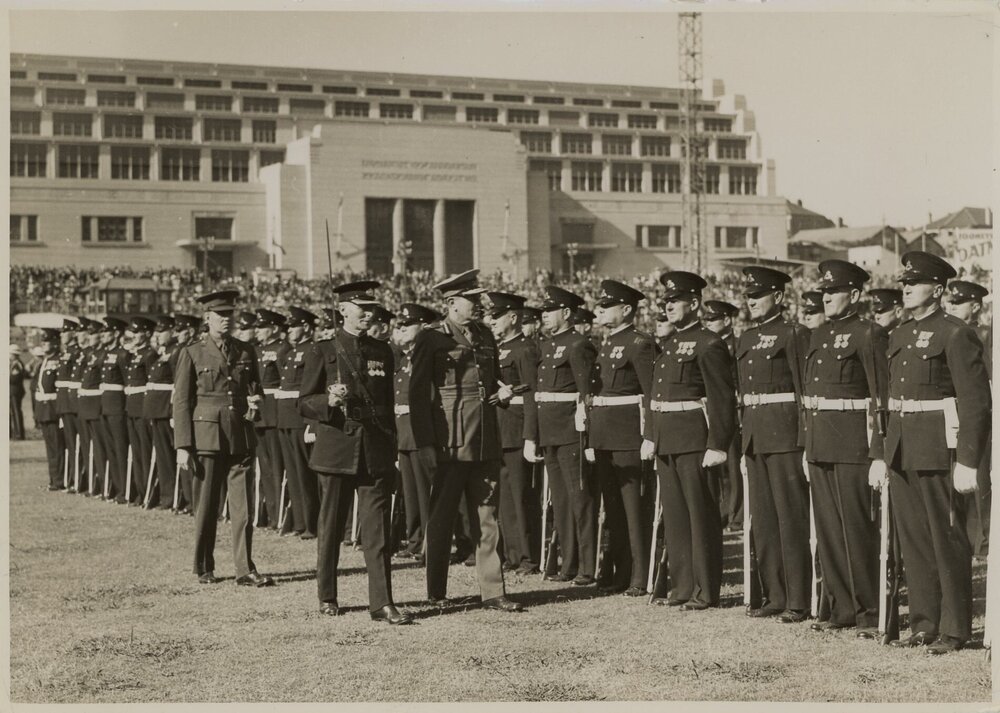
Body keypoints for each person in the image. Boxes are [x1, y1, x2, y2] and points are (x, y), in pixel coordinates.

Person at [877, 252, 991, 654]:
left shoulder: (955, 333)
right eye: (905, 282)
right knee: (914, 541)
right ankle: (924, 624)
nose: (906, 288)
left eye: (915, 282)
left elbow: (975, 402)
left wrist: (968, 460)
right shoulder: (899, 334)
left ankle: (955, 629)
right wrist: (883, 453)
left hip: (939, 449)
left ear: (938, 290)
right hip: (903, 448)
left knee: (947, 540)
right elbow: (891, 400)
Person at [409, 269, 523, 612]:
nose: (478, 303)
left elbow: (495, 380)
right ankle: (436, 590)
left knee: (487, 516)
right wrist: (426, 444)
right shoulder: (431, 338)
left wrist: (504, 393)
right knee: (442, 517)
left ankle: (493, 591)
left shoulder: (485, 334)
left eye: (477, 298)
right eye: (471, 299)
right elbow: (418, 395)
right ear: (451, 303)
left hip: (485, 437)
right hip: (450, 440)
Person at [298, 281, 411, 624]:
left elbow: (387, 405)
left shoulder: (383, 351)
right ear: (344, 310)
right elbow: (304, 402)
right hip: (336, 448)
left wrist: (391, 446)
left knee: (377, 531)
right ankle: (327, 595)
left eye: (372, 309)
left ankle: (382, 602)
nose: (369, 314)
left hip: (375, 448)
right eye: (362, 308)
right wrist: (329, 401)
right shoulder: (323, 350)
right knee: (331, 527)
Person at [801, 260, 887, 638]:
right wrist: (806, 446)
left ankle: (869, 611)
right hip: (820, 442)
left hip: (853, 444)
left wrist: (879, 451)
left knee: (857, 529)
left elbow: (881, 397)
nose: (826, 297)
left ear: (853, 295)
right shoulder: (818, 334)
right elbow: (810, 396)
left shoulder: (869, 333)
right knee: (829, 531)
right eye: (824, 291)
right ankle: (842, 608)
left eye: (833, 291)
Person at [641, 272, 735, 609]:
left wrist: (718, 443)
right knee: (676, 517)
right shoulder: (668, 343)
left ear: (694, 303)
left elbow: (722, 398)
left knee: (700, 516)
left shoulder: (709, 343)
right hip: (667, 438)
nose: (667, 306)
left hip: (694, 439)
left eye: (675, 300)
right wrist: (651, 435)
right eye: (666, 301)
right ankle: (681, 587)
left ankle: (705, 590)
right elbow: (656, 396)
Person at [173, 290, 273, 587]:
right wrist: (183, 445)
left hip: (240, 433)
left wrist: (256, 402)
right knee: (206, 505)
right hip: (207, 436)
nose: (226, 319)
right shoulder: (192, 352)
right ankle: (204, 565)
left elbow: (255, 388)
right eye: (220, 315)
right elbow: (182, 401)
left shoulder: (245, 350)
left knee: (243, 507)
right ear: (207, 318)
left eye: (230, 314)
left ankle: (245, 568)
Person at [737, 266, 811, 623]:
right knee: (764, 520)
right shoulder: (746, 338)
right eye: (748, 296)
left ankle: (798, 598)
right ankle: (774, 594)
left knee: (790, 518)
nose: (751, 301)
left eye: (758, 295)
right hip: (755, 436)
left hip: (785, 436)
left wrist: (806, 440)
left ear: (778, 297)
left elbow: (804, 391)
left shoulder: (794, 334)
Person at [525, 285, 599, 586]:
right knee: (560, 502)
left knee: (580, 500)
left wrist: (587, 433)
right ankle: (568, 564)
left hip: (571, 432)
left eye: (549, 310)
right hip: (549, 432)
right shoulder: (545, 345)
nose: (544, 315)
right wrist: (533, 435)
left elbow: (586, 393)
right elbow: (537, 395)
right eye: (543, 311)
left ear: (566, 313)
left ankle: (587, 566)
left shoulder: (578, 344)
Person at [588, 279, 657, 595]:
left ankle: (640, 576)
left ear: (626, 309)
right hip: (604, 437)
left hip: (629, 437)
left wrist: (649, 436)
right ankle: (620, 571)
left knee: (634, 510)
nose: (600, 310)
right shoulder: (606, 343)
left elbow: (652, 394)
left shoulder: (640, 343)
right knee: (613, 509)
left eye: (607, 306)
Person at [486, 291, 542, 575]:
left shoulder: (525, 349)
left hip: (517, 429)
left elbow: (532, 394)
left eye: (496, 316)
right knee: (505, 498)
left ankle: (529, 557)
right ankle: (512, 554)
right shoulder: (500, 349)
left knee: (521, 497)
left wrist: (531, 436)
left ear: (513, 317)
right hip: (501, 430)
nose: (491, 321)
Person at [944, 279, 992, 559]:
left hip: (977, 412)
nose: (951, 306)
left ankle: (984, 544)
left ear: (975, 306)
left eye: (958, 302)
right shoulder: (948, 332)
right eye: (950, 302)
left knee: (980, 479)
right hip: (951, 413)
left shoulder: (984, 334)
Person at [392, 304, 439, 562]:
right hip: (404, 432)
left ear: (424, 326)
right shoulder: (403, 359)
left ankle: (430, 544)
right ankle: (414, 540)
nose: (402, 329)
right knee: (410, 494)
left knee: (424, 493)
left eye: (408, 325)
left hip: (421, 432)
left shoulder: (429, 356)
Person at [277, 306, 320, 539]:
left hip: (300, 418)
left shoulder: (312, 351)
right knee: (293, 473)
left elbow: (312, 389)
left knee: (305, 472)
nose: (289, 330)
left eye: (293, 326)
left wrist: (311, 423)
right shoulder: (291, 352)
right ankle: (300, 522)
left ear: (305, 327)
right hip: (286, 417)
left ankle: (312, 523)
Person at [702, 300, 743, 531]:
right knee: (718, 466)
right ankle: (724, 510)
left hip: (732, 409)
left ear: (727, 320)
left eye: (713, 319)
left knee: (733, 464)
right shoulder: (708, 344)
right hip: (712, 409)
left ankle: (735, 513)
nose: (708, 323)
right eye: (707, 319)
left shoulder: (736, 345)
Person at [254, 308, 291, 529]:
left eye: (262, 327)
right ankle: (269, 513)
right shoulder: (257, 349)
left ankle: (280, 516)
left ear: (274, 328)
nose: (257, 331)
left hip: (275, 413)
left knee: (278, 467)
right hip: (259, 413)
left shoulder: (282, 349)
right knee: (265, 468)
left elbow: (286, 382)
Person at [144, 316, 181, 511]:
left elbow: (177, 384)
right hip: (157, 409)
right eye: (156, 332)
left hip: (167, 409)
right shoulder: (163, 353)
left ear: (172, 332)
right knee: (163, 457)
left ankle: (176, 497)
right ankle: (167, 497)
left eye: (162, 331)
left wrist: (174, 411)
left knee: (171, 455)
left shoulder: (175, 352)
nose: (157, 335)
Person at [124, 317, 158, 506]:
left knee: (145, 453)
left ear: (147, 333)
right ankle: (141, 491)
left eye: (137, 332)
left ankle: (149, 493)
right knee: (136, 453)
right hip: (132, 408)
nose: (134, 336)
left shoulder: (149, 355)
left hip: (142, 409)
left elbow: (150, 384)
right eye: (133, 332)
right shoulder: (136, 354)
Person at [99, 317, 131, 503]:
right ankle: (118, 488)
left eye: (106, 332)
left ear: (116, 333)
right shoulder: (106, 354)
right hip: (106, 407)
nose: (103, 335)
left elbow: (128, 383)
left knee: (120, 450)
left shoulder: (123, 354)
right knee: (111, 450)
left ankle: (126, 490)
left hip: (118, 408)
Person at [34, 329, 64, 491]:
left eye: (47, 342)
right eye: (43, 342)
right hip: (44, 409)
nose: (44, 344)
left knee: (57, 446)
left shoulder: (58, 360)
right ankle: (53, 479)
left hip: (53, 409)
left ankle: (59, 480)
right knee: (50, 447)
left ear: (56, 343)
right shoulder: (45, 361)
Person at [10, 343, 28, 440]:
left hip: (15, 391)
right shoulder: (14, 364)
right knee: (13, 411)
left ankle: (19, 433)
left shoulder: (17, 364)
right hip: (13, 390)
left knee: (16, 411)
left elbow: (14, 378)